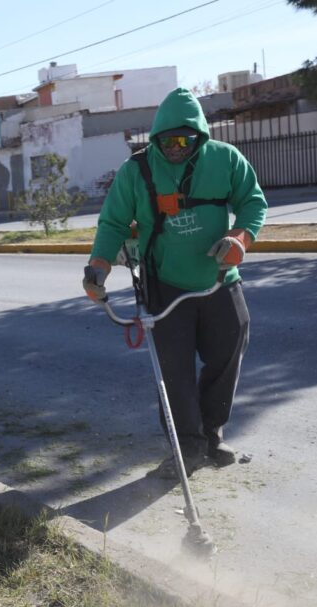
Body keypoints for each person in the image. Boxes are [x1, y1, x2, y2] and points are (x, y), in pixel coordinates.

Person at [82, 87, 266, 477]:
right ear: (156, 138)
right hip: (165, 285)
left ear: (199, 136)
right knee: (175, 372)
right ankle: (187, 448)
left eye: (184, 140)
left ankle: (211, 435)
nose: (175, 148)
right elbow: (113, 224)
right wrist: (98, 267)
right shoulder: (137, 171)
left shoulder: (225, 159)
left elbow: (252, 201)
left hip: (219, 280)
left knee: (228, 354)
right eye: (167, 141)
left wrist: (240, 238)